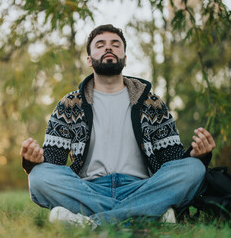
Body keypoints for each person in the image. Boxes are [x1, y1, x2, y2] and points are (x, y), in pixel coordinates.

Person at [20, 24, 215, 227]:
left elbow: (172, 159)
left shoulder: (152, 103)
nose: (108, 48)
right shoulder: (69, 105)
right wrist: (33, 161)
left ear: (124, 57)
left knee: (194, 169)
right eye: (100, 45)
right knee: (39, 176)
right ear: (89, 60)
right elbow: (53, 163)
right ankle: (148, 215)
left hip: (142, 187)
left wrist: (197, 156)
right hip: (88, 189)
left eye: (115, 44)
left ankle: (91, 223)